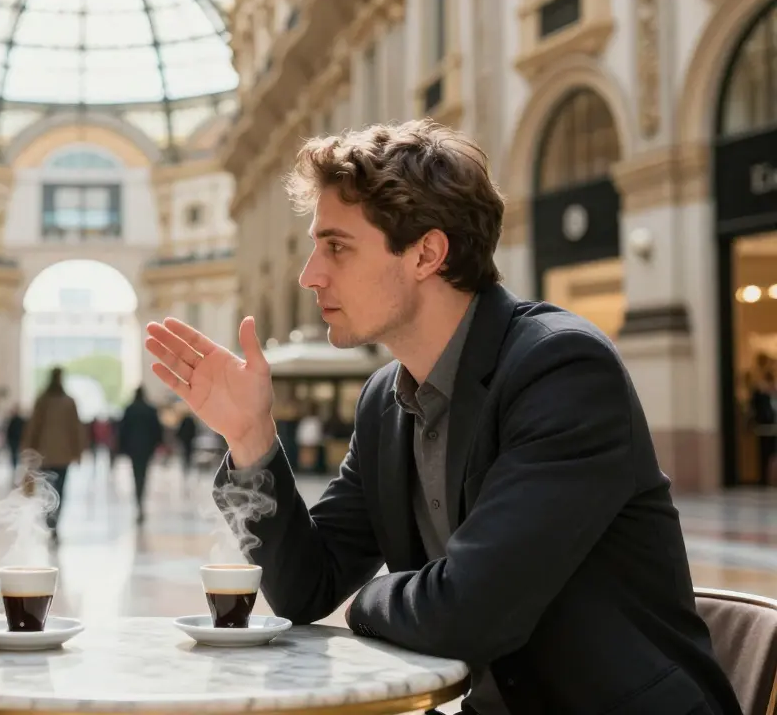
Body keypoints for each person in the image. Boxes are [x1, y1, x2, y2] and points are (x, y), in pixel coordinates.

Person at [145, 120, 742, 715]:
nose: (310, 274)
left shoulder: (561, 369)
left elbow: (471, 613)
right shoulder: (387, 399)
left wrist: (365, 604)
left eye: (337, 246)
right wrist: (251, 437)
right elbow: (307, 588)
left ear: (427, 253)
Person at [22, 367, 84, 540]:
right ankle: (55, 521)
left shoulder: (42, 401)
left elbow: (33, 427)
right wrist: (78, 452)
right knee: (61, 489)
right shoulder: (69, 402)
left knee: (47, 487)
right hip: (64, 454)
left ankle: (49, 518)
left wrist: (28, 449)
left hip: (45, 454)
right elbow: (76, 429)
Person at [117, 386, 163, 523]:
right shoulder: (150, 410)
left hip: (133, 448)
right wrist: (157, 444)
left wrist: (121, 447)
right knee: (144, 474)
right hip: (147, 448)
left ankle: (138, 501)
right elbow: (157, 429)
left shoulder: (129, 409)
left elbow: (122, 430)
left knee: (136, 474)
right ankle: (140, 500)